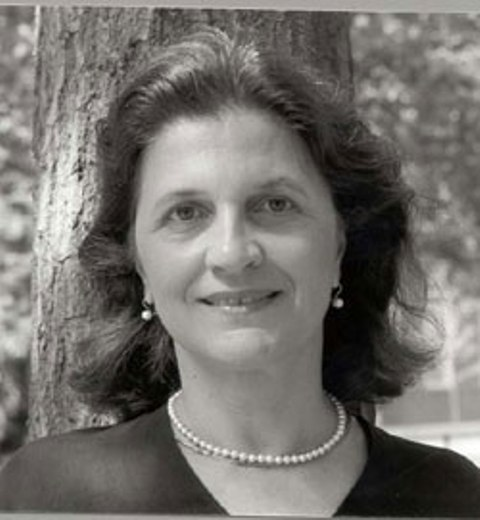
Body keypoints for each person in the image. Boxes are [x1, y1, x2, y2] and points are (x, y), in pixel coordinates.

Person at [0, 28, 479, 517]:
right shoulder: (47, 494)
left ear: (339, 244)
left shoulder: (454, 497)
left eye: (275, 204)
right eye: (186, 213)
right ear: (138, 263)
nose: (232, 253)